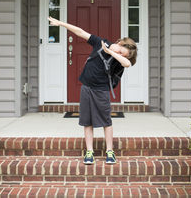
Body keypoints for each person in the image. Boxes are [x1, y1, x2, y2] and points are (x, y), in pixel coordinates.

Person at [48, 16, 137, 164]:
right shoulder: (100, 42)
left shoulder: (118, 60)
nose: (121, 54)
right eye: (121, 50)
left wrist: (112, 53)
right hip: (87, 87)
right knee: (87, 121)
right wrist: (60, 24)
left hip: (101, 90)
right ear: (120, 42)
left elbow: (127, 63)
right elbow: (80, 32)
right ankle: (89, 152)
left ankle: (110, 151)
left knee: (106, 121)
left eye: (122, 54)